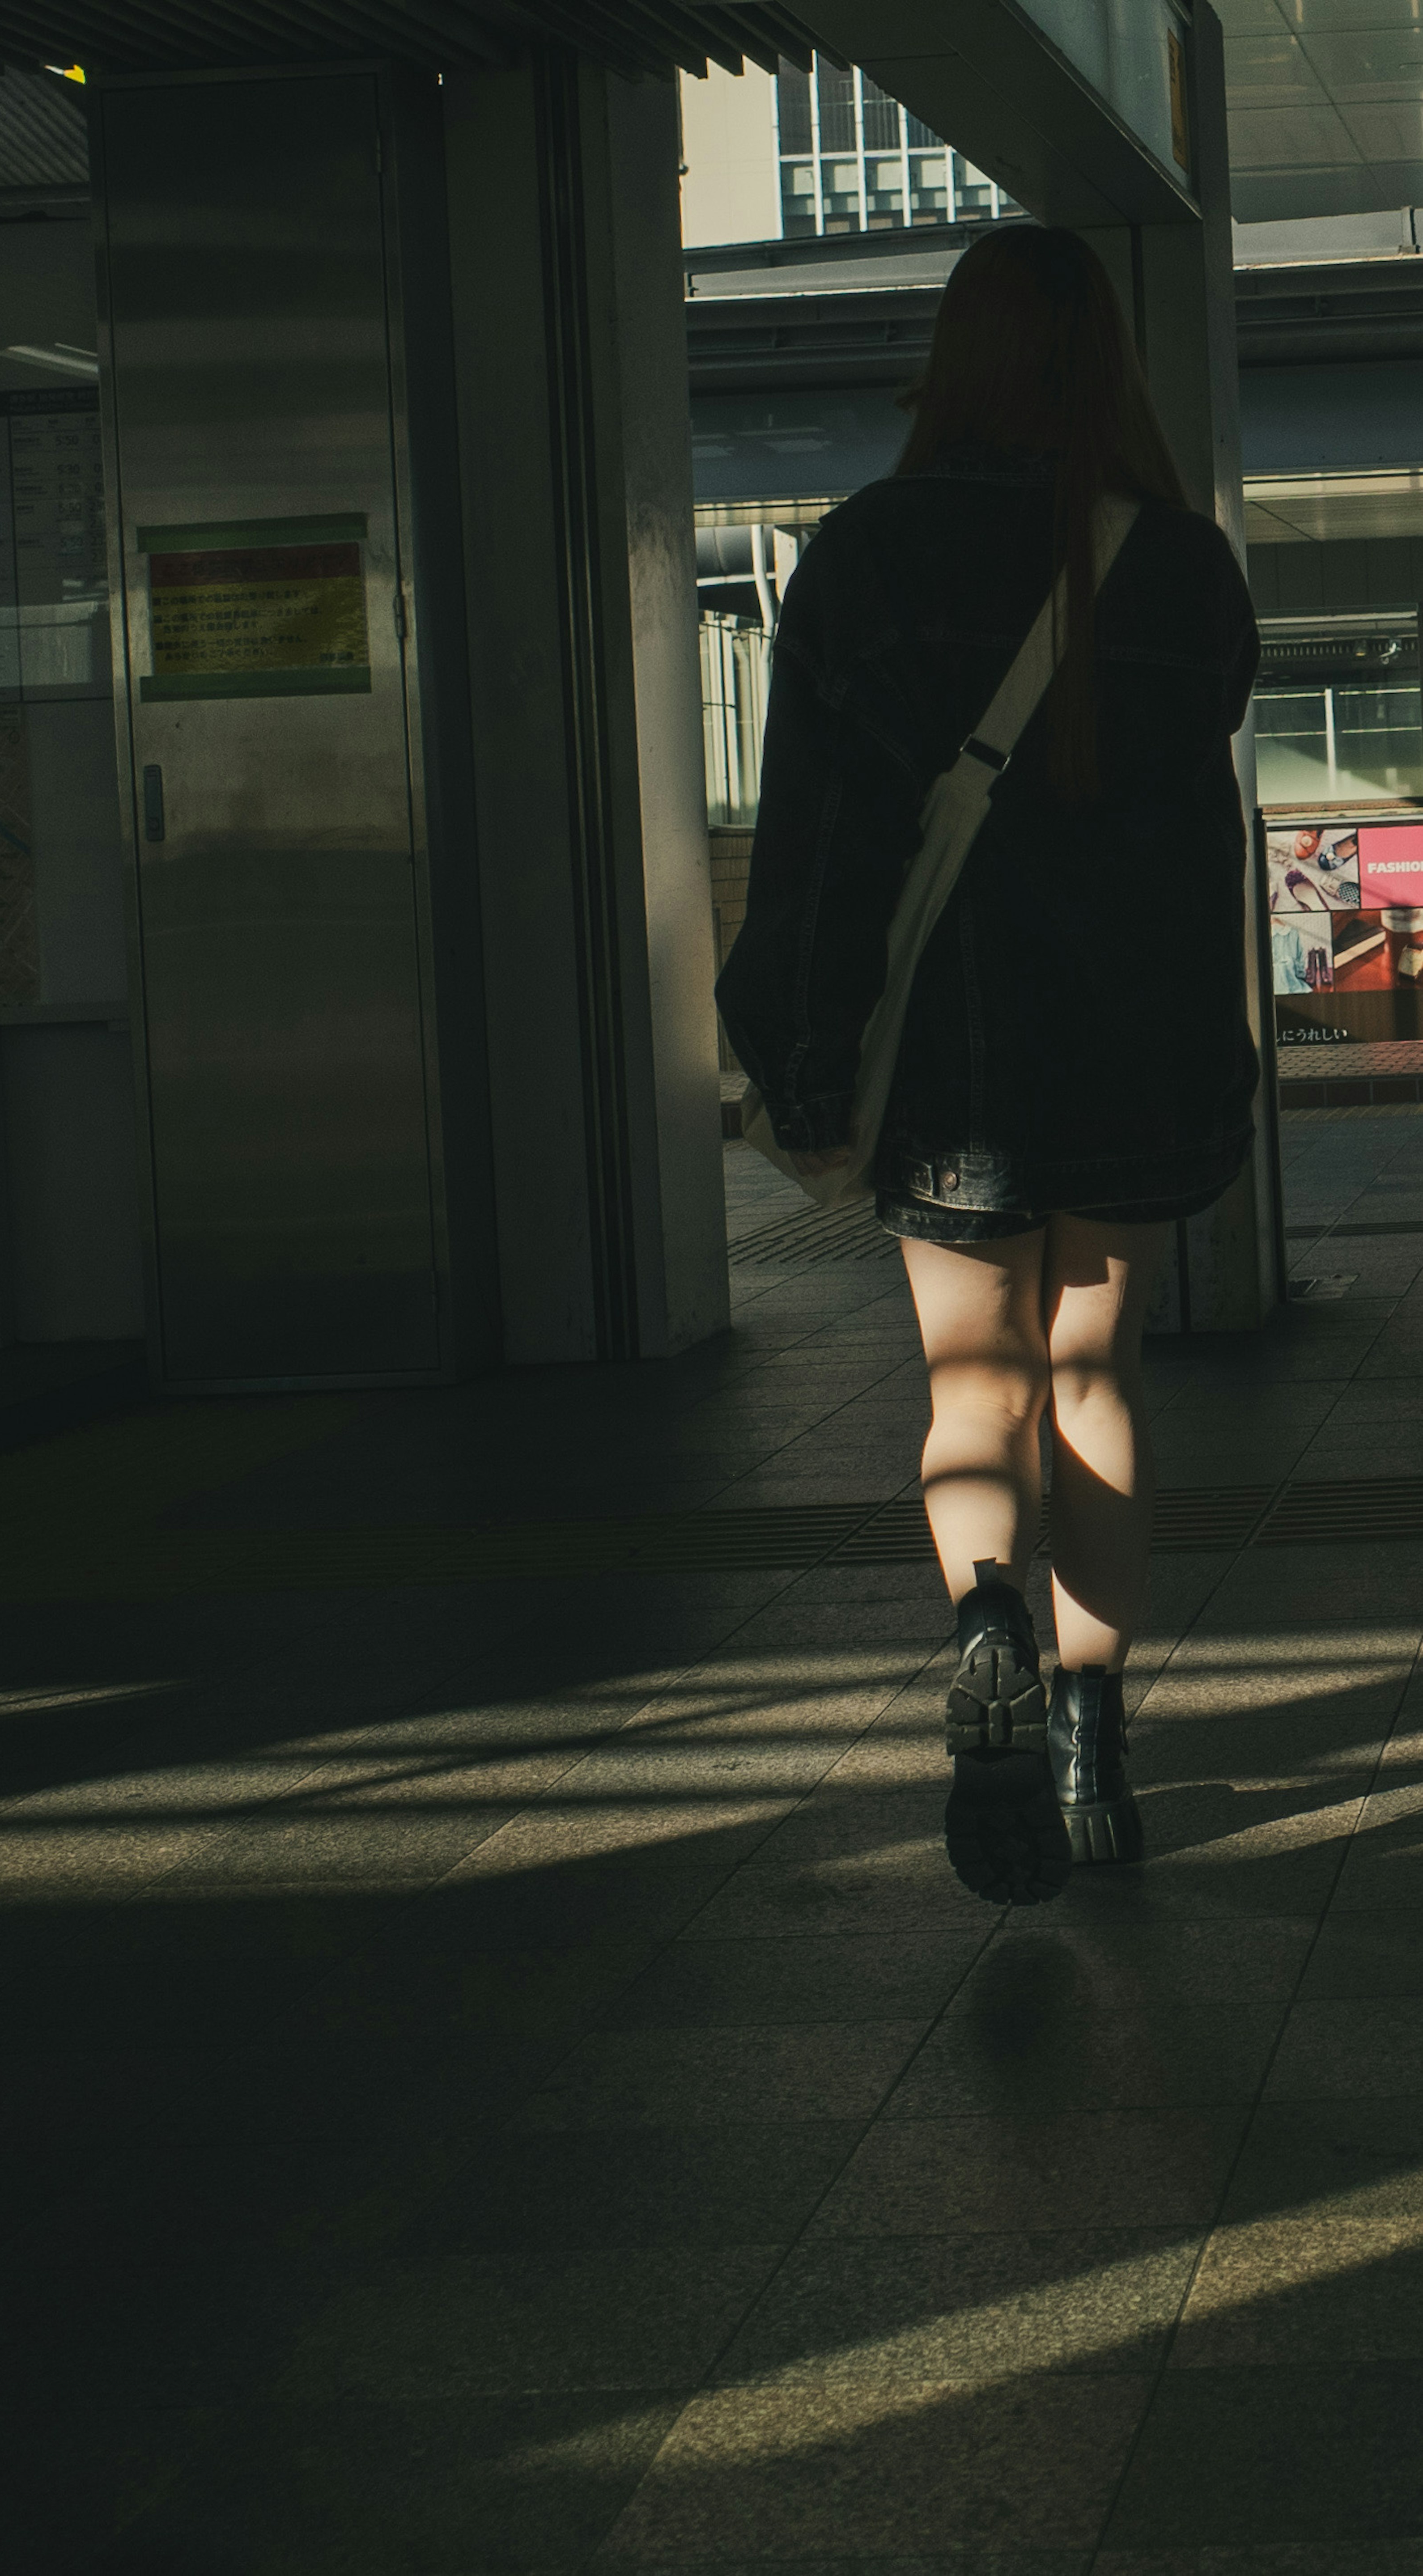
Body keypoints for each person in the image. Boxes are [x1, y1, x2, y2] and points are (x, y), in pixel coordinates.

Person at [716, 225, 1258, 1907]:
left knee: (978, 1389)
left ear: (955, 362)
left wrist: (798, 1058)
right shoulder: (1182, 568)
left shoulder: (869, 559)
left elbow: (813, 847)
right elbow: (1194, 846)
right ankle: (1096, 1751)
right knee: (1096, 1372)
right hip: (1138, 1057)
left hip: (953, 1060)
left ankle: (990, 1637)